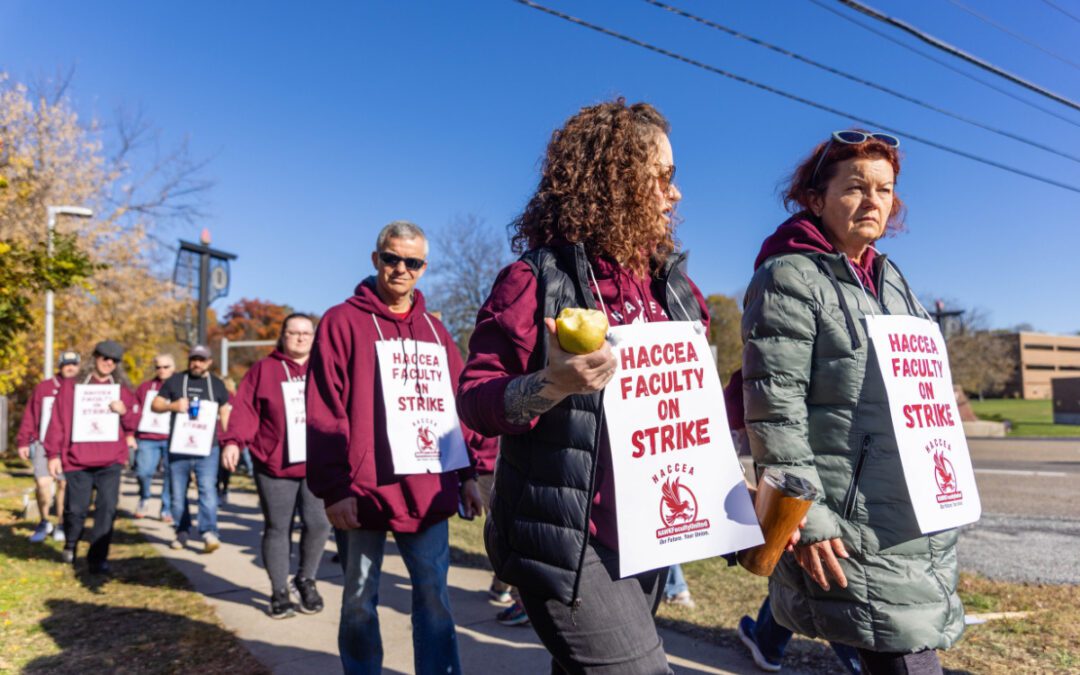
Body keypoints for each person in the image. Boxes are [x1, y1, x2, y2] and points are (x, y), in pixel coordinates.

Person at [457, 98, 708, 674]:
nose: (676, 194)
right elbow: (475, 399)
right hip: (566, 539)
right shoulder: (534, 279)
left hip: (648, 532)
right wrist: (549, 385)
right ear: (613, 180)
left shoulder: (673, 288)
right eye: (663, 178)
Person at [742, 130, 962, 674]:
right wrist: (807, 514)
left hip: (908, 507)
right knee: (903, 651)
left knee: (899, 637)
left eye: (884, 190)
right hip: (846, 513)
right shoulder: (788, 276)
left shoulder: (890, 279)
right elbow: (776, 404)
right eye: (856, 187)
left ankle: (765, 638)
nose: (873, 201)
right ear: (815, 199)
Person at [306, 220, 495, 675]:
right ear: (376, 259)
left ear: (423, 268)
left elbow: (456, 406)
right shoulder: (341, 321)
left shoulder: (435, 331)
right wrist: (335, 487)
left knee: (434, 599)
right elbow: (324, 408)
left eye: (412, 262)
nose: (400, 269)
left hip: (427, 489)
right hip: (363, 490)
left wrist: (471, 474)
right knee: (358, 603)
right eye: (391, 258)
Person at [221, 313, 332, 619]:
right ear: (282, 336)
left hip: (317, 464)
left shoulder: (326, 367)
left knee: (320, 523)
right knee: (277, 527)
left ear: (314, 337)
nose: (299, 338)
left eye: (306, 333)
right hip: (274, 464)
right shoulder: (263, 369)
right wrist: (233, 441)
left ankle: (306, 579)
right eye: (293, 332)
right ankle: (278, 591)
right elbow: (245, 409)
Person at [44, 341, 139, 573]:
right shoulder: (72, 386)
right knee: (75, 510)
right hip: (77, 460)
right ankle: (71, 542)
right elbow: (57, 421)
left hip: (110, 460)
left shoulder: (122, 389)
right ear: (94, 357)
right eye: (104, 358)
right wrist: (53, 454)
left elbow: (134, 423)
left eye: (114, 360)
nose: (108, 363)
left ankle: (98, 559)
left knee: (107, 508)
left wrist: (124, 412)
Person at [152, 344, 231, 553]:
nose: (197, 363)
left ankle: (209, 532)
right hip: (179, 448)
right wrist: (172, 406)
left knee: (207, 491)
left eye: (201, 359)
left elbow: (224, 412)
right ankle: (182, 530)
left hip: (208, 449)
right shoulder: (176, 381)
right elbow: (156, 404)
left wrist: (229, 441)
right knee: (177, 495)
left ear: (209, 362)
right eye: (193, 359)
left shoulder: (217, 385)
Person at [17, 350, 80, 543]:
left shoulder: (81, 388)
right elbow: (30, 415)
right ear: (60, 366)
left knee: (63, 484)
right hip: (43, 443)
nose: (70, 367)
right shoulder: (44, 388)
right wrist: (23, 441)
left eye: (73, 364)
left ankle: (61, 523)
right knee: (43, 484)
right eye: (66, 364)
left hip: (69, 445)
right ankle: (44, 521)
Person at [132, 354, 176, 522]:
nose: (162, 370)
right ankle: (144, 498)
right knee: (143, 472)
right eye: (158, 367)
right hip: (147, 437)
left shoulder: (181, 386)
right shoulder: (145, 388)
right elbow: (135, 410)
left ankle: (166, 507)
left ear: (173, 368)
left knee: (171, 474)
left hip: (172, 438)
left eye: (166, 367)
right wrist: (131, 434)